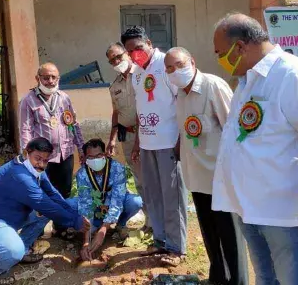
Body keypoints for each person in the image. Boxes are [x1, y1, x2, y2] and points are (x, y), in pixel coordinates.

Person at [212, 13, 298, 285]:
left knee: (293, 280)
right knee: (266, 277)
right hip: (250, 207)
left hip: (282, 212)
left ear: (241, 47)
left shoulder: (292, 74)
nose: (220, 60)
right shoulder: (247, 80)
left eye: (221, 53)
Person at [164, 47, 248, 285]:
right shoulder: (180, 94)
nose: (174, 71)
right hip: (196, 178)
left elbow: (235, 131)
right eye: (169, 68)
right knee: (210, 236)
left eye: (179, 65)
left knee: (230, 237)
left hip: (220, 179)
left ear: (192, 61)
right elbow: (186, 130)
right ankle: (218, 279)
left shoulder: (213, 86)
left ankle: (239, 281)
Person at [0, 137, 90, 284]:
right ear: (26, 153)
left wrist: (74, 214)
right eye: (38, 158)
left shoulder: (34, 169)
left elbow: (52, 193)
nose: (41, 164)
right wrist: (75, 222)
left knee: (71, 204)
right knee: (13, 251)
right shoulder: (19, 175)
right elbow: (44, 203)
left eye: (45, 160)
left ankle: (23, 250)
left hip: (12, 215)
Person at [121, 26, 187, 266]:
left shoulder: (166, 64)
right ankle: (160, 241)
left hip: (169, 143)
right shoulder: (137, 73)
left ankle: (177, 248)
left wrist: (181, 141)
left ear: (148, 42)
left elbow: (182, 102)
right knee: (153, 195)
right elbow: (141, 110)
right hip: (148, 144)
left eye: (138, 48)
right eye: (130, 51)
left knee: (173, 198)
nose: (134, 54)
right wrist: (138, 142)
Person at [68, 138, 143, 261]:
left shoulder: (117, 168)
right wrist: (86, 242)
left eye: (99, 155)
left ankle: (119, 224)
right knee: (70, 206)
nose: (95, 160)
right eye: (90, 157)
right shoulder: (82, 173)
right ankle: (93, 228)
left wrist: (103, 230)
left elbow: (117, 201)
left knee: (135, 202)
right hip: (95, 210)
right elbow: (85, 204)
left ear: (105, 154)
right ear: (85, 158)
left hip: (112, 207)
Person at [19, 62, 85, 199]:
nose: (50, 81)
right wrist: (28, 156)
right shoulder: (28, 100)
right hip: (42, 158)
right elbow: (25, 130)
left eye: (53, 77)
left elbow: (74, 123)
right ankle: (42, 220)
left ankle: (60, 221)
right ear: (38, 79)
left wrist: (81, 148)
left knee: (64, 193)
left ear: (58, 78)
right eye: (46, 78)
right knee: (42, 194)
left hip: (65, 154)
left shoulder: (64, 98)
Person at [105, 42, 151, 231]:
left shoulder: (143, 76)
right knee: (139, 180)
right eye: (112, 60)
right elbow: (116, 113)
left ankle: (160, 221)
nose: (116, 61)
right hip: (127, 137)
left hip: (147, 136)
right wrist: (112, 139)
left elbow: (145, 109)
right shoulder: (114, 86)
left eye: (118, 56)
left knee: (151, 179)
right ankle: (150, 221)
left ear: (127, 53)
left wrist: (138, 144)